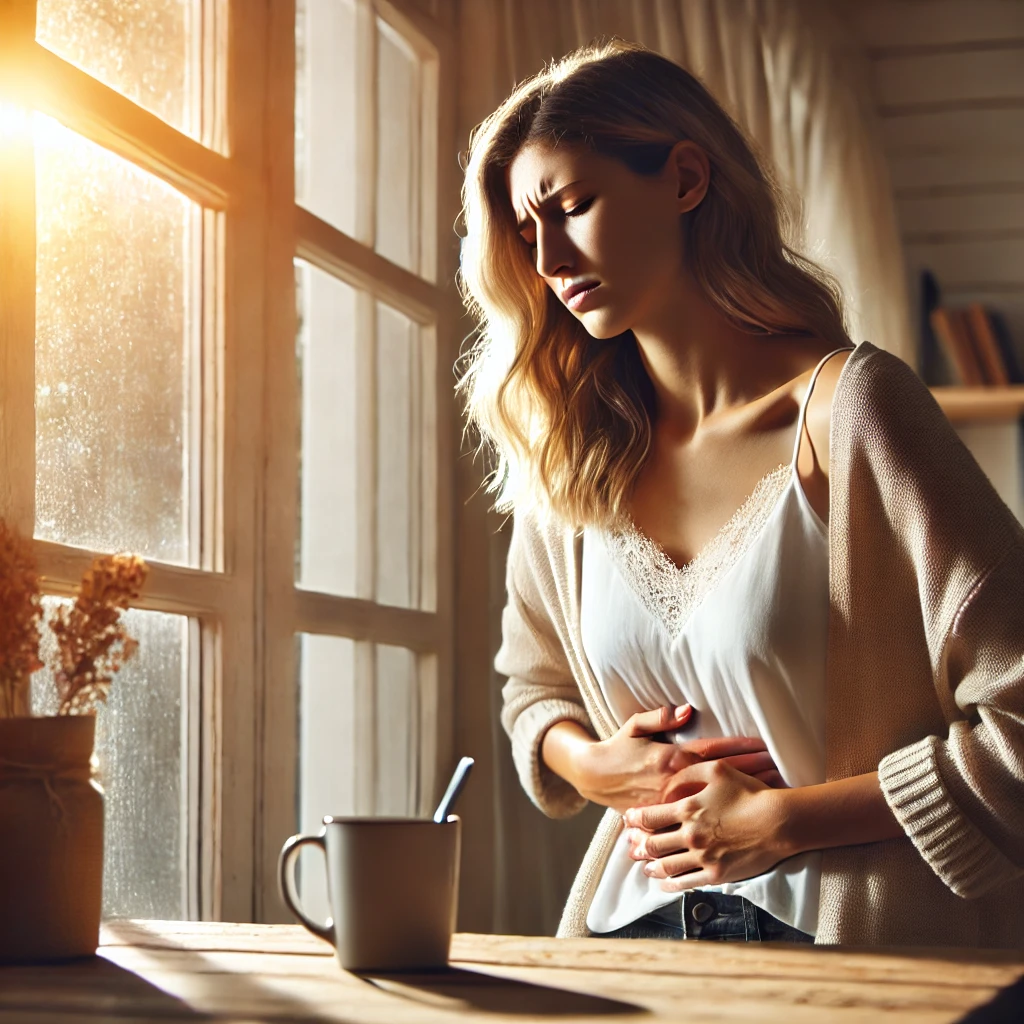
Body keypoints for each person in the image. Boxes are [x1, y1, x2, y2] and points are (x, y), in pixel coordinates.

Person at [457, 39, 1024, 947]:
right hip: (623, 953)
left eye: (572, 207)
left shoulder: (854, 414)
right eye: (527, 234)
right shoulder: (568, 451)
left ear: (686, 179)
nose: (550, 257)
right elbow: (534, 692)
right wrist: (596, 765)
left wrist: (787, 822)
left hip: (845, 958)